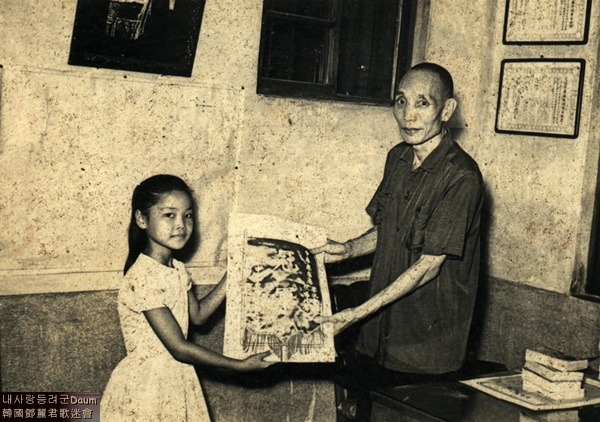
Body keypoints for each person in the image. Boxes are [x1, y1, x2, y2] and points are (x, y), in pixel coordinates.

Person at [313, 62, 484, 420]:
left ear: (446, 110)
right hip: (376, 338)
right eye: (401, 101)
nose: (408, 115)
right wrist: (346, 249)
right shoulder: (398, 157)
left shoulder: (461, 176)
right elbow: (387, 229)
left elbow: (429, 266)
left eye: (422, 103)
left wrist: (355, 314)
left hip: (424, 348)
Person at [100, 174, 274, 421]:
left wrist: (235, 272)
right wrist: (238, 364)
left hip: (177, 377)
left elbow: (199, 316)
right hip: (147, 387)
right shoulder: (143, 276)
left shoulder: (177, 269)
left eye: (188, 215)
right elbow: (179, 348)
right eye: (169, 215)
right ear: (141, 219)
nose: (181, 225)